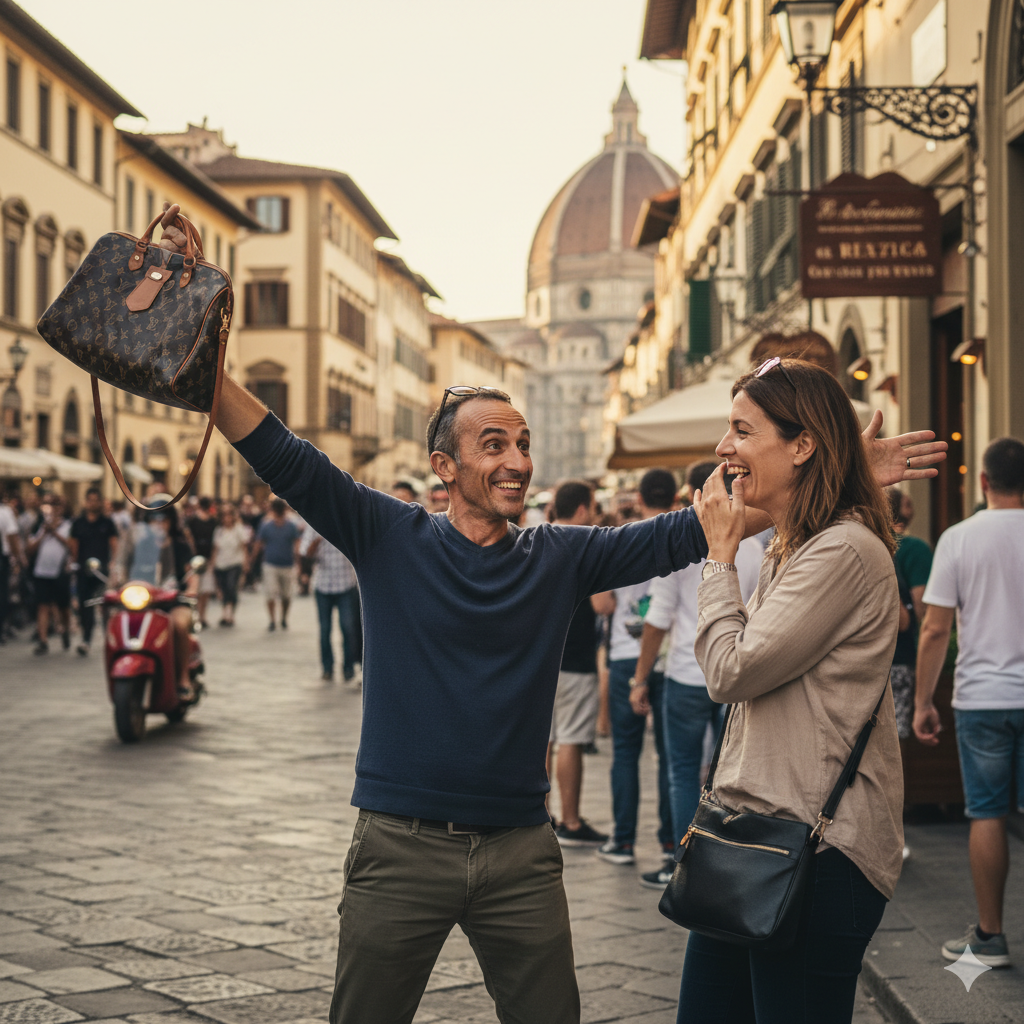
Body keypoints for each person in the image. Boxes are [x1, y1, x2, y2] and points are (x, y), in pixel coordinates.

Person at [151, 202, 944, 1024]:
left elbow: (693, 529)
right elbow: (282, 453)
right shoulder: (386, 535)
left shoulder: (558, 555)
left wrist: (839, 468)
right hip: (400, 847)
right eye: (493, 444)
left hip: (519, 853)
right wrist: (199, 344)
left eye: (523, 443)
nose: (517, 461)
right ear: (444, 466)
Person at [681, 357, 911, 1024]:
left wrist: (720, 560)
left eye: (742, 430)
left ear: (803, 444)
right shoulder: (797, 544)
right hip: (751, 839)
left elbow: (730, 672)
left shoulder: (842, 552)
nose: (724, 447)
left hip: (816, 852)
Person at [914, 436, 1024, 969]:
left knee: (986, 812)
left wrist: (923, 701)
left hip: (982, 697)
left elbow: (935, 629)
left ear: (983, 482)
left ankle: (990, 936)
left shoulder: (957, 539)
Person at [629, 461, 762, 889]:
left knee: (683, 771)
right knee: (730, 776)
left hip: (688, 674)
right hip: (737, 674)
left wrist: (639, 678)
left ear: (697, 494)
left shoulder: (679, 548)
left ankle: (684, 864)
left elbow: (658, 620)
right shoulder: (756, 545)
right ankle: (726, 863)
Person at [592, 468, 678, 868]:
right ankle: (669, 842)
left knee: (625, 753)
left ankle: (623, 841)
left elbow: (603, 605)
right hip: (667, 658)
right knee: (669, 757)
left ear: (639, 499)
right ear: (675, 498)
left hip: (627, 656)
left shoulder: (619, 540)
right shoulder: (680, 538)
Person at [546, 479, 608, 847]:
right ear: (582, 509)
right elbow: (604, 605)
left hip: (541, 659)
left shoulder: (535, 538)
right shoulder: (586, 544)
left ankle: (542, 815)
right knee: (570, 740)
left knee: (545, 739)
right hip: (576, 656)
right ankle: (570, 820)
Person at [118, 496, 198, 699]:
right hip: (145, 601)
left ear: (171, 521)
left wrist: (191, 589)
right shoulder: (141, 545)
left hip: (174, 601)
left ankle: (183, 678)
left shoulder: (180, 545)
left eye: (163, 520)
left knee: (178, 626)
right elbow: (124, 569)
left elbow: (192, 574)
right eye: (154, 520)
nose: (159, 524)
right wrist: (116, 583)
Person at [301, 524, 362, 684]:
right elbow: (305, 553)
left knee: (348, 628)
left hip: (346, 584)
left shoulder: (346, 525)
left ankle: (348, 668)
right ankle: (327, 668)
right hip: (323, 585)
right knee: (325, 629)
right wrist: (318, 540)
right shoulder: (314, 526)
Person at [69, 486, 119, 655]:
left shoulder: (107, 523)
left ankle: (109, 639)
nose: (93, 503)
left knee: (105, 605)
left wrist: (113, 563)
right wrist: (74, 563)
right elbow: (74, 545)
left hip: (102, 570)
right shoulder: (78, 523)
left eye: (96, 500)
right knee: (85, 606)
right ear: (86, 502)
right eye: (90, 500)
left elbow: (114, 544)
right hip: (83, 570)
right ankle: (86, 639)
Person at [28, 498, 72, 655]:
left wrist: (54, 532)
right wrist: (44, 533)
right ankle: (43, 641)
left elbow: (71, 545)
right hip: (42, 571)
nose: (55, 509)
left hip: (60, 572)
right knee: (43, 605)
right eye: (53, 506)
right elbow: (31, 548)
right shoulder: (41, 526)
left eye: (58, 506)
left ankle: (65, 630)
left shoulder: (69, 526)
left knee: (63, 607)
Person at [253, 498, 300, 631]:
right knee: (271, 594)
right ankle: (273, 620)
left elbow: (296, 544)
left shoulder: (291, 526)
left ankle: (283, 618)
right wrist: (253, 558)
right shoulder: (266, 525)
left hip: (286, 564)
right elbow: (259, 543)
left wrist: (298, 561)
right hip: (271, 564)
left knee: (286, 595)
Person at [211, 504, 249, 627]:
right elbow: (215, 549)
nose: (226, 518)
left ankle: (230, 613)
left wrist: (246, 563)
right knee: (223, 589)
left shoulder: (238, 529)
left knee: (231, 587)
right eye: (224, 516)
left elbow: (244, 547)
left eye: (228, 515)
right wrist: (213, 564)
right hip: (221, 564)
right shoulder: (219, 530)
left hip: (235, 563)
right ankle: (225, 612)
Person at [184, 496, 218, 629]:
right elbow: (189, 537)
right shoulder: (194, 520)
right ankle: (199, 616)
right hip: (198, 559)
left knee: (205, 590)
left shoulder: (211, 521)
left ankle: (201, 616)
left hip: (204, 558)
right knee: (198, 591)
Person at [0, 490, 25, 643]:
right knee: (3, 594)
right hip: (2, 560)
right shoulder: (5, 512)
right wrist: (18, 559)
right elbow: (12, 537)